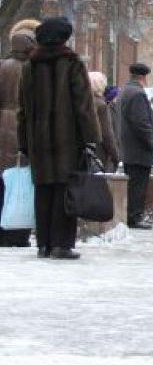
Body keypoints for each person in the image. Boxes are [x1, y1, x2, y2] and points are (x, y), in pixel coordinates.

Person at [17, 16, 101, 259]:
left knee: (43, 189)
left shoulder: (29, 65)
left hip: (38, 141)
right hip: (68, 140)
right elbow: (83, 106)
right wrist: (90, 138)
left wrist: (24, 142)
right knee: (65, 189)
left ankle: (43, 243)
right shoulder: (73, 63)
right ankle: (62, 244)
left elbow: (22, 109)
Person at [0, 18, 40, 248]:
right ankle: (18, 232)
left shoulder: (2, 66)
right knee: (22, 182)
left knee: (2, 182)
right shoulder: (34, 69)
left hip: (2, 129)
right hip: (24, 128)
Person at [118, 63, 153, 229]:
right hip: (139, 149)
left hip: (129, 148)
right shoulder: (138, 94)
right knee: (138, 185)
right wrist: (151, 143)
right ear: (143, 77)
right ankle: (135, 216)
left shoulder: (126, 91)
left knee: (133, 183)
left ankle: (132, 215)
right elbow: (141, 123)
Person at [88, 72, 120, 173]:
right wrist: (116, 156)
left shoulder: (78, 102)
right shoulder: (100, 105)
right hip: (97, 154)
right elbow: (107, 134)